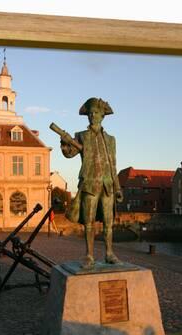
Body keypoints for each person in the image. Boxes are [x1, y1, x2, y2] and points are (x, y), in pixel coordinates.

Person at [59, 97, 124, 268]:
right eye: (90, 113)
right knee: (89, 223)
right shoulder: (81, 136)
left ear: (103, 115)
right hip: (90, 185)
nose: (93, 115)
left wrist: (118, 187)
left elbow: (113, 164)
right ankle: (89, 255)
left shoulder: (111, 140)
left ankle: (109, 253)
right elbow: (69, 153)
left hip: (108, 185)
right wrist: (64, 143)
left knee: (108, 223)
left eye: (96, 112)